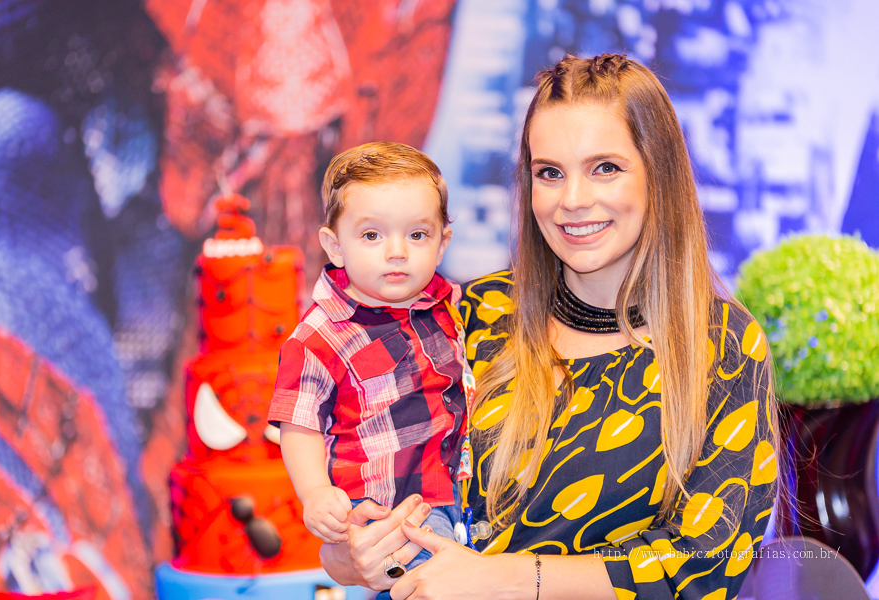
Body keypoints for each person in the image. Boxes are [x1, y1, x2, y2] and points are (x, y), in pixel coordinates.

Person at [319, 54, 780, 600]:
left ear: (659, 175)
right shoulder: (474, 312)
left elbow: (707, 568)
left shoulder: (721, 345)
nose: (573, 200)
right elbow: (357, 506)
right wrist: (360, 558)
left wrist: (511, 579)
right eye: (550, 173)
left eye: (605, 167)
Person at [268, 142, 472, 596]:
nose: (396, 251)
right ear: (334, 245)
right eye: (372, 236)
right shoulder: (320, 335)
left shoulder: (450, 306)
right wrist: (315, 492)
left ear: (443, 243)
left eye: (417, 235)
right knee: (426, 583)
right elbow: (298, 421)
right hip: (386, 506)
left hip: (457, 489)